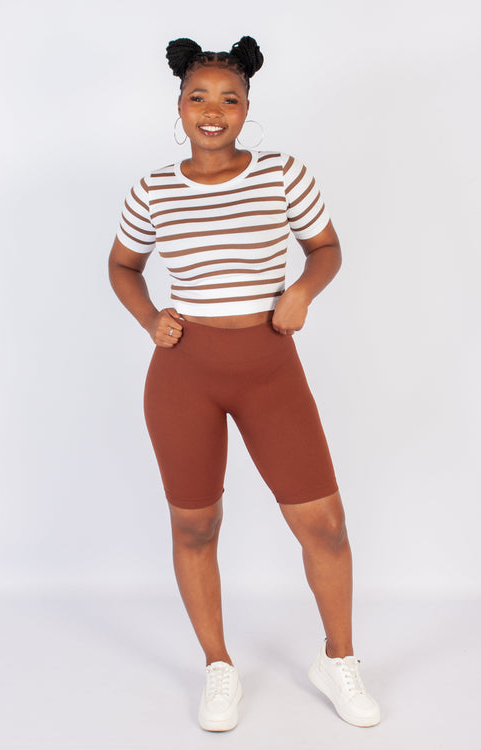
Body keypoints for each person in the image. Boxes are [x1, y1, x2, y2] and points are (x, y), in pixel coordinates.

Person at [108, 36, 380, 732]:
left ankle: (339, 659)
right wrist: (150, 318)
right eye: (198, 97)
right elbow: (123, 265)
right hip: (183, 375)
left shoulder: (283, 174)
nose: (213, 110)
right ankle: (218, 666)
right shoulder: (153, 190)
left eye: (229, 99)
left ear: (247, 108)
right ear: (179, 106)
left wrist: (302, 292)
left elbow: (326, 247)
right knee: (195, 525)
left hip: (270, 369)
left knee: (324, 524)